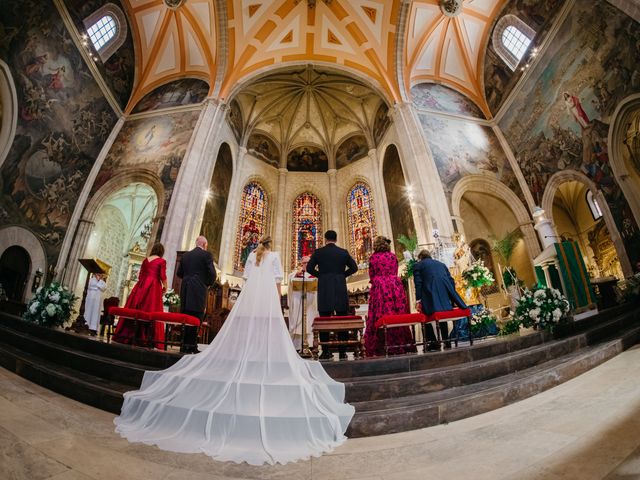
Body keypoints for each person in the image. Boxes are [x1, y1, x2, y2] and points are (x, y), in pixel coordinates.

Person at [114, 235, 354, 465]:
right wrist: (277, 298)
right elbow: (278, 280)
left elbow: (248, 278)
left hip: (251, 296)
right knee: (268, 325)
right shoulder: (275, 256)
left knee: (249, 323)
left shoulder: (252, 255)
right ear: (272, 245)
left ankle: (247, 352)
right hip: (268, 296)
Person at [307, 230, 358, 359]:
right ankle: (342, 352)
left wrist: (322, 276)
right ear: (336, 239)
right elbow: (354, 268)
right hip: (340, 287)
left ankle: (325, 352)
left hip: (324, 289)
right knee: (342, 320)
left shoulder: (319, 252)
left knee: (324, 320)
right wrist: (342, 275)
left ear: (325, 239)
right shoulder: (343, 252)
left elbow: (309, 268)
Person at [365, 236, 416, 356]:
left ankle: (382, 346)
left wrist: (379, 281)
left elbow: (372, 275)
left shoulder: (373, 258)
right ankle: (401, 343)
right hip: (394, 286)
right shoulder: (392, 256)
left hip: (380, 288)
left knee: (381, 315)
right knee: (397, 314)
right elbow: (395, 271)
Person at [113, 243, 167, 348]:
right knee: (151, 311)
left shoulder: (145, 260)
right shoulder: (162, 261)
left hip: (141, 286)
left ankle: (130, 335)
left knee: (136, 310)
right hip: (153, 288)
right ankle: (147, 338)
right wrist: (165, 287)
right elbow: (162, 276)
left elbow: (141, 275)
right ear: (161, 252)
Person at [413, 249, 468, 351]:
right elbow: (451, 281)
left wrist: (418, 300)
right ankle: (447, 341)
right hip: (443, 297)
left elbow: (418, 284)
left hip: (429, 297)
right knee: (442, 316)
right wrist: (451, 297)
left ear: (420, 258)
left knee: (424, 316)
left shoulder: (418, 266)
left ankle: (433, 343)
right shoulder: (441, 264)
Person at [177, 236, 216, 353]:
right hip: (198, 289)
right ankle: (192, 346)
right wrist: (206, 284)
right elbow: (213, 274)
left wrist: (187, 279)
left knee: (185, 317)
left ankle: (183, 345)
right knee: (196, 317)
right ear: (204, 245)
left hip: (185, 289)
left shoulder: (185, 256)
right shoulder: (206, 255)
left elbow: (179, 273)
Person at [287, 256, 318, 351]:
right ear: (301, 264)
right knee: (298, 322)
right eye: (305, 263)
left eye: (309, 263)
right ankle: (297, 346)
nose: (307, 265)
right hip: (298, 303)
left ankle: (311, 344)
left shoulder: (315, 275)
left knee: (310, 322)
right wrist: (297, 274)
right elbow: (290, 281)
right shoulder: (294, 275)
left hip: (310, 304)